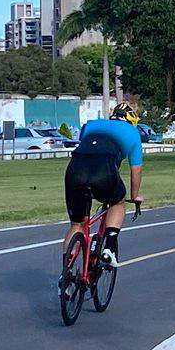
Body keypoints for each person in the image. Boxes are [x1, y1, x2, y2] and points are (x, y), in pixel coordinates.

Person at [61, 102, 144, 268]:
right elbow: (136, 171)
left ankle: (65, 274)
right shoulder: (133, 133)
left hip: (75, 169)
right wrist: (134, 196)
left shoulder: (91, 125)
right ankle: (109, 248)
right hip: (104, 170)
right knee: (117, 203)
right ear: (132, 120)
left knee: (77, 225)